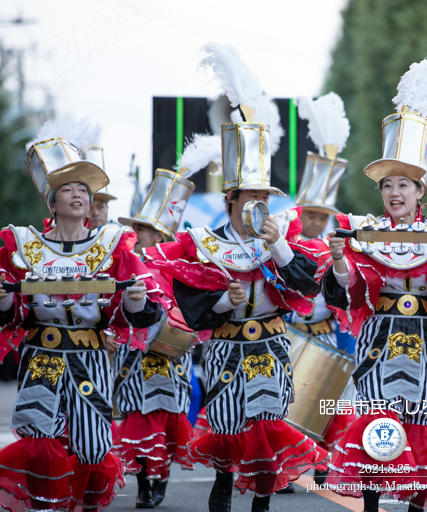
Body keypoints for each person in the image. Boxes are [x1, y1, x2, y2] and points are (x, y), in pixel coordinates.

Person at [145, 42, 328, 512]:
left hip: (268, 343)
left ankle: (263, 501)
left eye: (262, 196)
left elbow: (308, 285)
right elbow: (190, 307)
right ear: (229, 200)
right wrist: (224, 302)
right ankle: (224, 483)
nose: (257, 205)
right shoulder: (204, 242)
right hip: (227, 343)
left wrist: (279, 248)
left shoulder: (284, 232)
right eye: (247, 197)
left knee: (267, 425)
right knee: (227, 426)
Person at [322, 52, 427, 512]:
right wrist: (338, 262)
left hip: (426, 340)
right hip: (379, 338)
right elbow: (348, 294)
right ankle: (371, 504)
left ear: (420, 191)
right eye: (388, 185)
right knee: (377, 418)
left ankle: (416, 504)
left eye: (404, 185)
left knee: (418, 422)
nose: (395, 193)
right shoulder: (361, 234)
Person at [0, 118, 164, 511]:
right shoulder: (23, 246)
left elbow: (147, 310)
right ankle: (45, 504)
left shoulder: (113, 244)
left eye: (83, 190)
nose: (77, 195)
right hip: (43, 355)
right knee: (40, 441)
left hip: (90, 357)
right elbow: (12, 311)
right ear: (51, 201)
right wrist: (4, 300)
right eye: (67, 189)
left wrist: (136, 300)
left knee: (92, 448)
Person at [113, 147, 211, 508]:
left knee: (169, 418)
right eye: (142, 228)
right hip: (135, 351)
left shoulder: (180, 267)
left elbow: (195, 308)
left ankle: (162, 479)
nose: (146, 235)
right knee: (138, 416)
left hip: (172, 353)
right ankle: (142, 483)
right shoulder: (122, 263)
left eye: (154, 230)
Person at [284, 93, 355, 489]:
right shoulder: (285, 245)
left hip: (326, 336)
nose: (315, 221)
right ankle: (290, 466)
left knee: (330, 403)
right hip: (291, 336)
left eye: (322, 216)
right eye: (310, 213)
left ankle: (326, 462)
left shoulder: (336, 248)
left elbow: (345, 295)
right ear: (300, 211)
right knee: (289, 405)